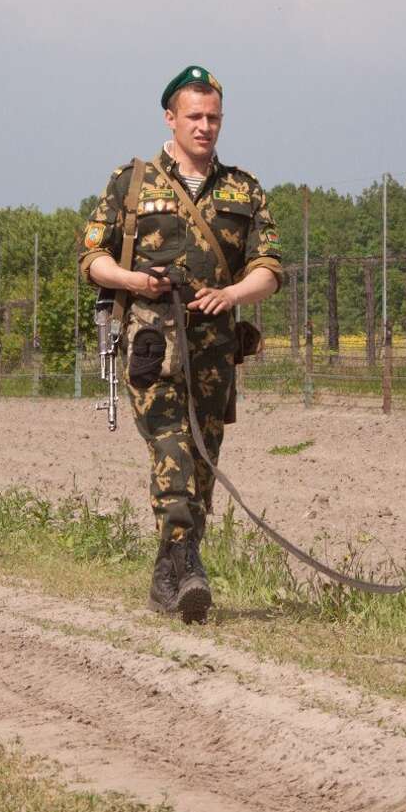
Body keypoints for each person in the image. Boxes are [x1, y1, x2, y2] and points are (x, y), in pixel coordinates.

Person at [79, 67, 283, 622]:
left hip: (216, 353)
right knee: (171, 449)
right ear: (170, 118)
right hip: (152, 345)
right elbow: (91, 259)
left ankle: (166, 579)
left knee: (202, 464)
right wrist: (133, 282)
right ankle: (189, 567)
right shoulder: (132, 183)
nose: (205, 126)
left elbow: (270, 267)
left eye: (213, 116)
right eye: (194, 116)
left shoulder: (244, 188)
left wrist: (232, 292)